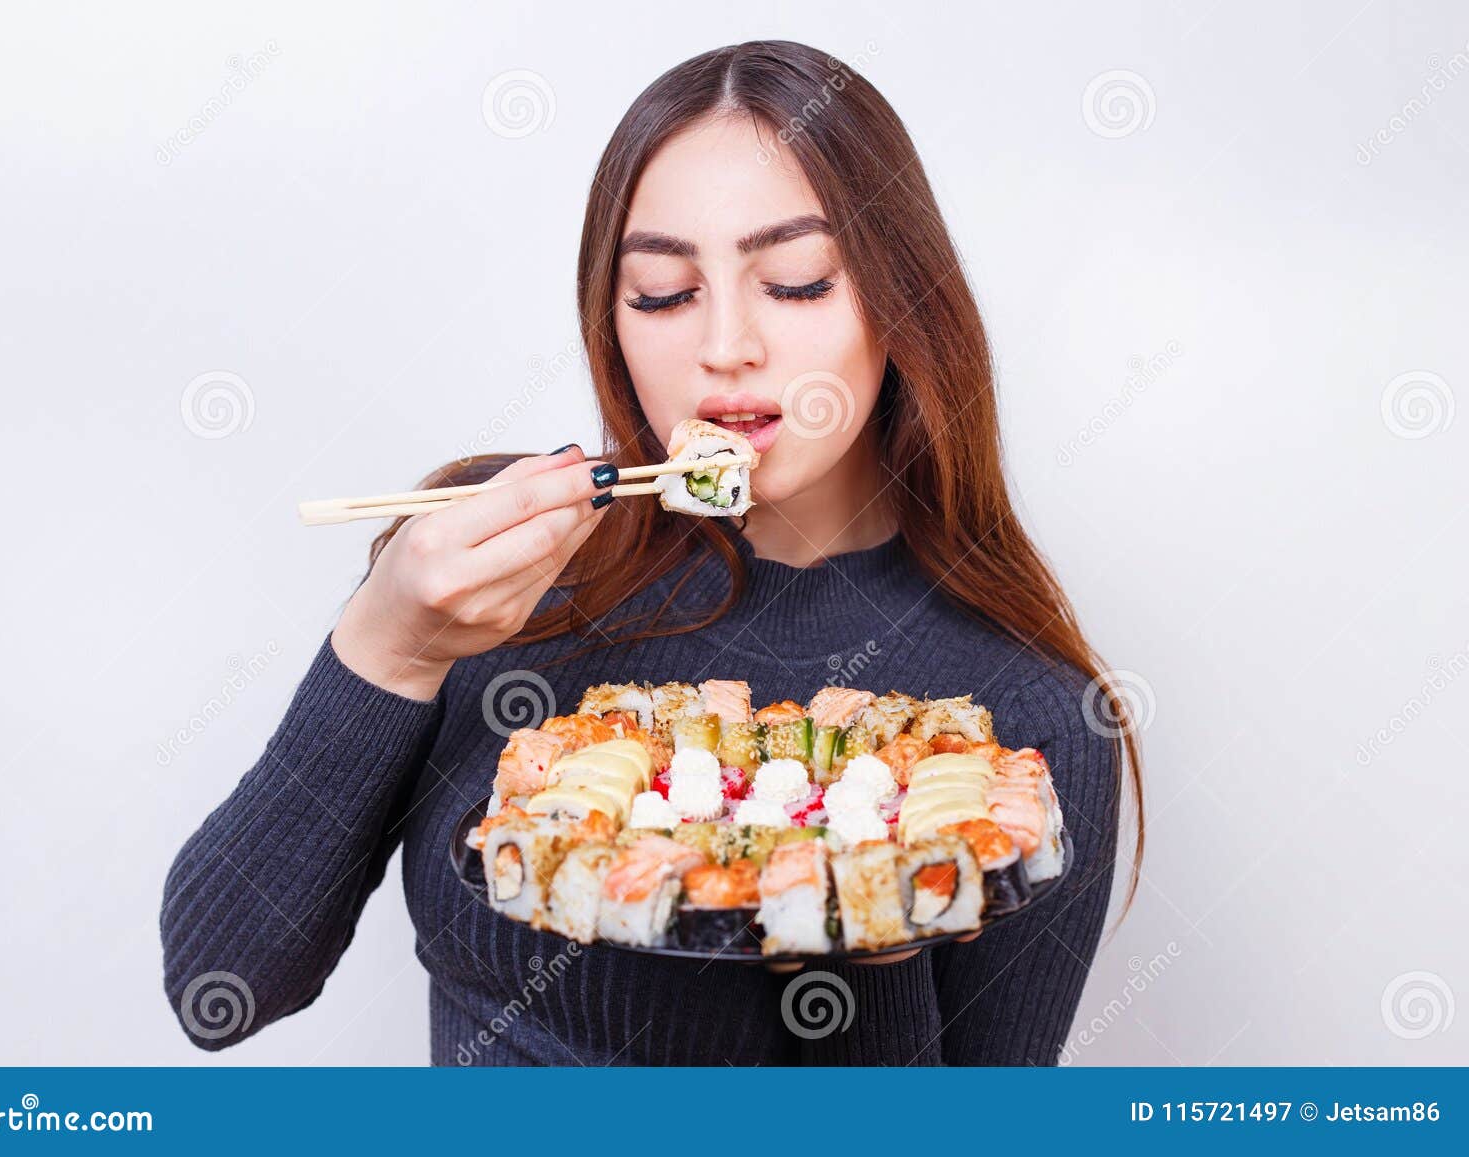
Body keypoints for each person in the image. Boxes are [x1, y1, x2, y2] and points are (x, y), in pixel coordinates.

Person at [161, 39, 1143, 1066]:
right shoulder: (488, 567)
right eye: (665, 293)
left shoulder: (1022, 719)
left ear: (900, 304)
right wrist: (390, 649)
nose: (725, 345)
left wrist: (866, 891)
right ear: (611, 320)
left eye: (797, 282)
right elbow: (218, 986)